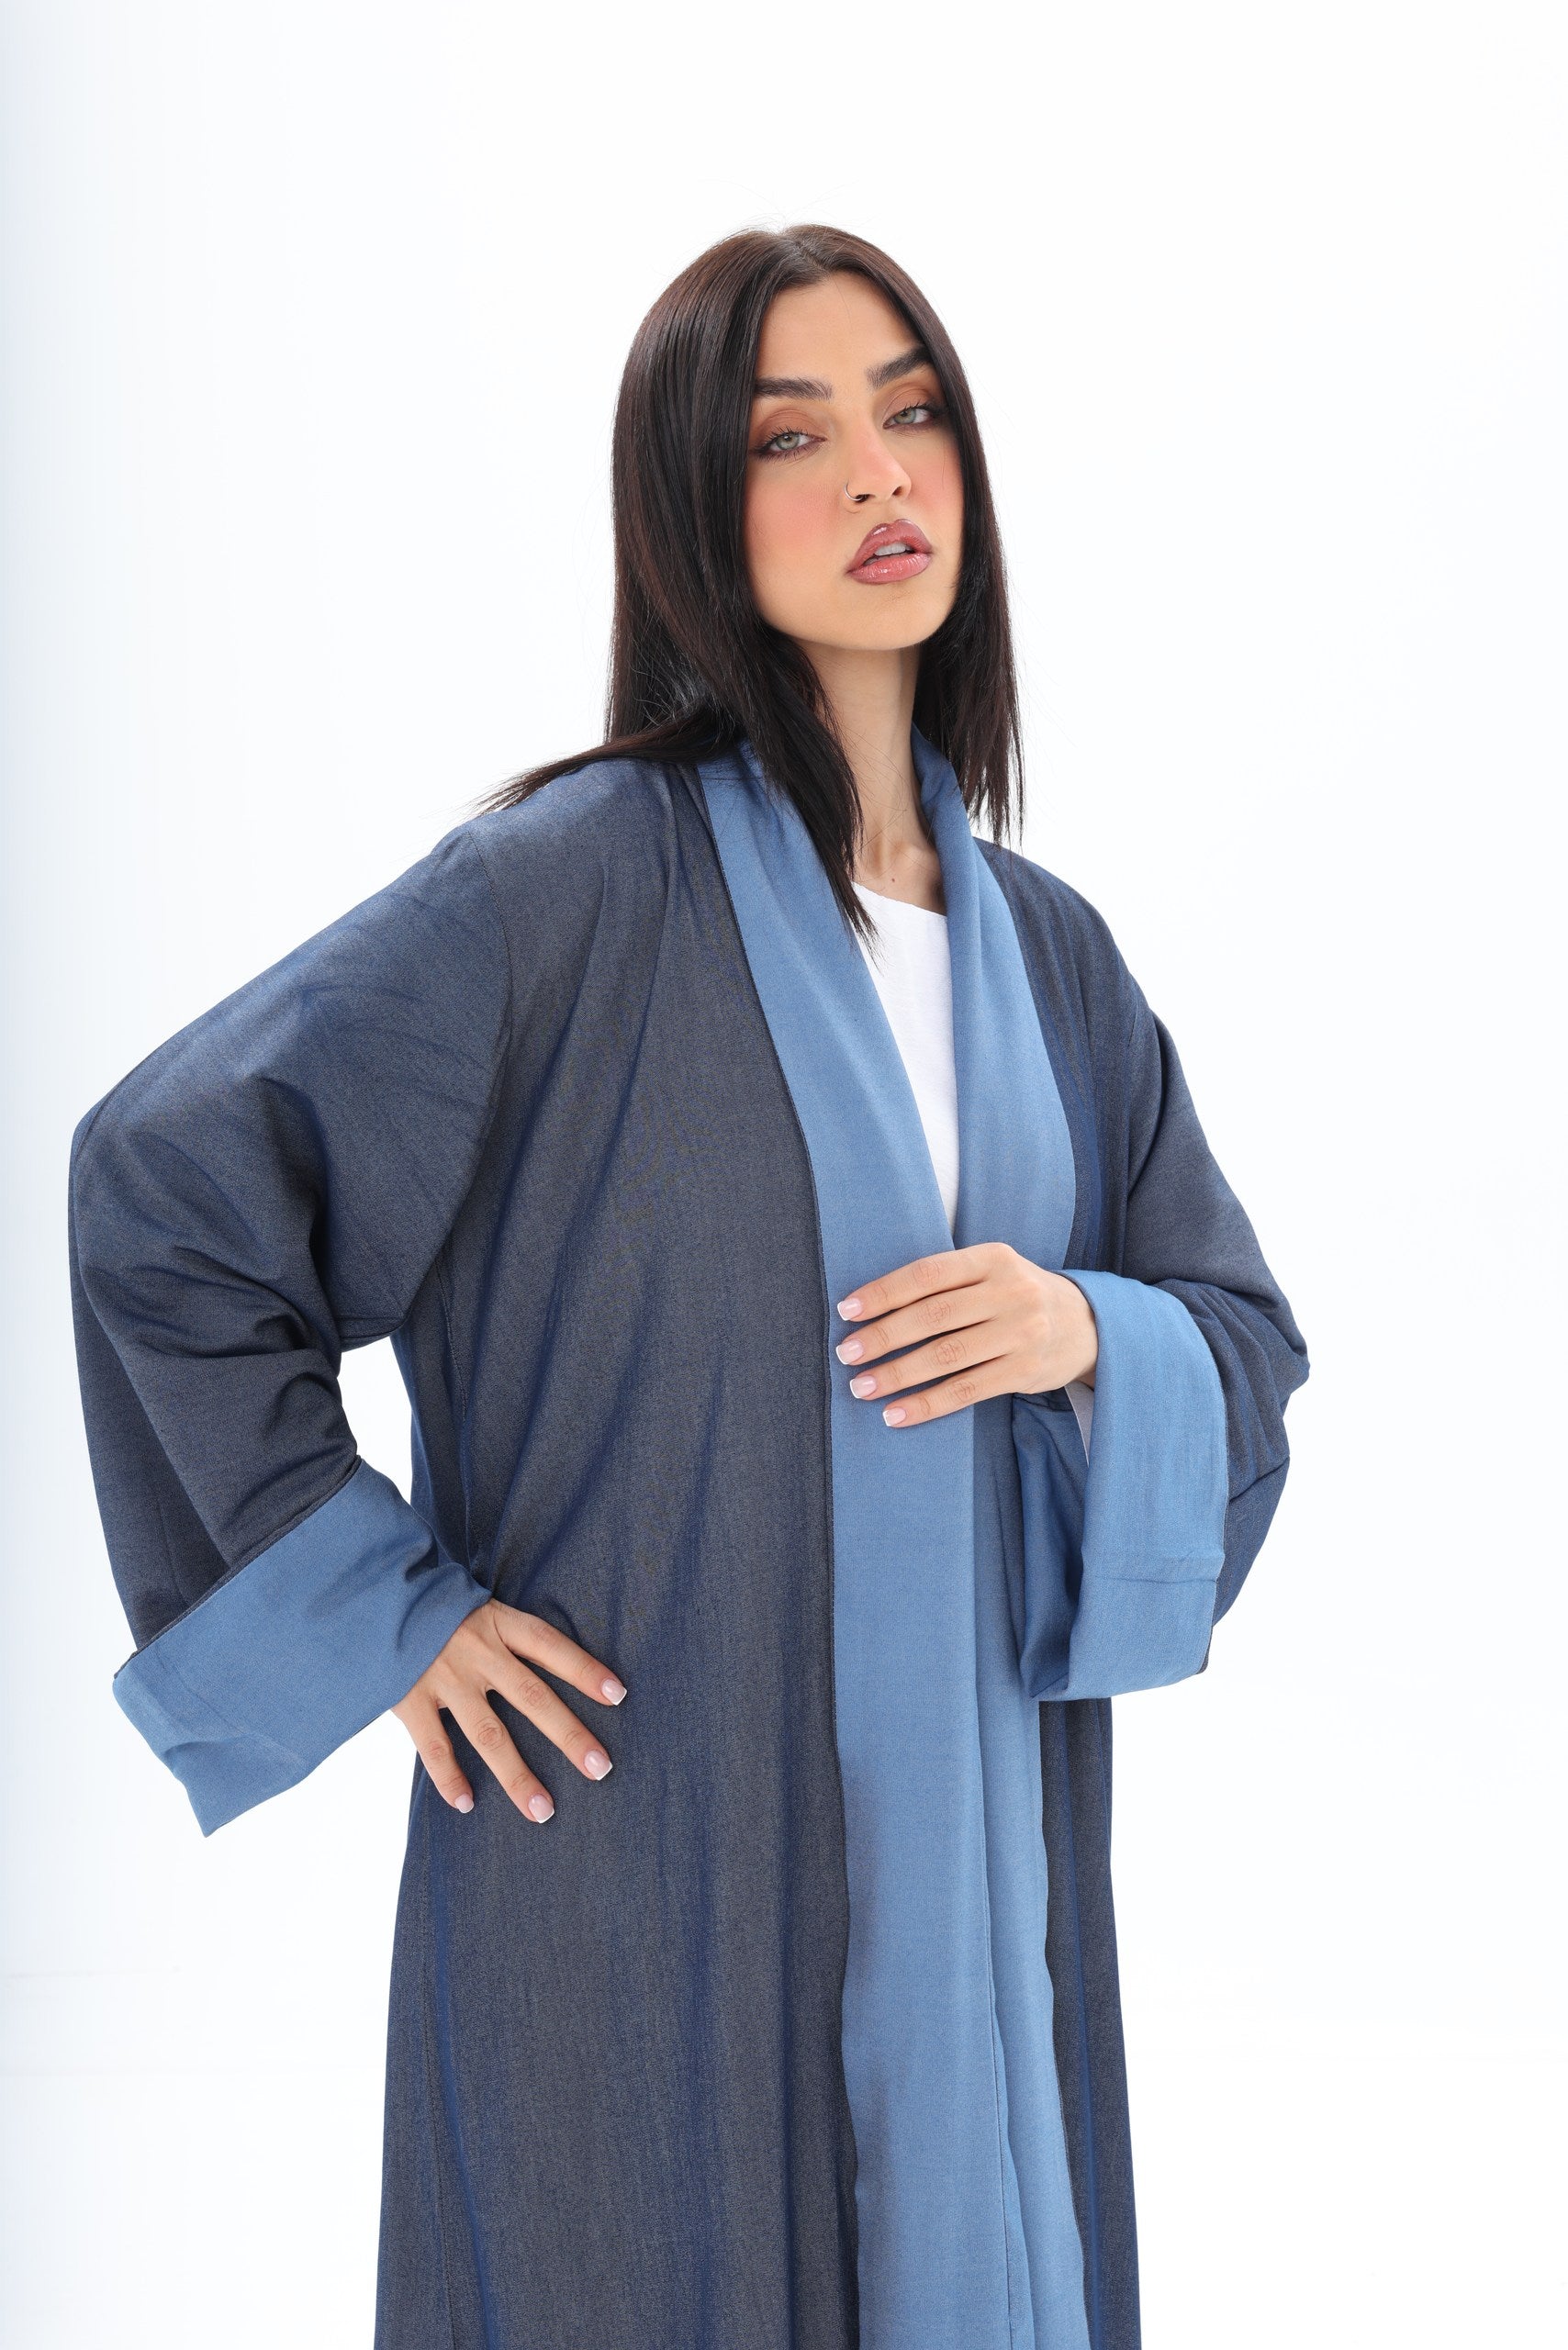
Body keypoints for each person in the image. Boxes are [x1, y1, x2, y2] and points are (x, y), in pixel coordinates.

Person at [66, 223, 1310, 2350]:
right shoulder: (563, 892)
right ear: (685, 510)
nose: (875, 473)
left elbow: (1240, 1346)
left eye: (910, 413)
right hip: (642, 1852)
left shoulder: (1052, 957)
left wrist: (1089, 1331)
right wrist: (381, 1604)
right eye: (787, 436)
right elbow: (167, 1186)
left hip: (980, 1883)